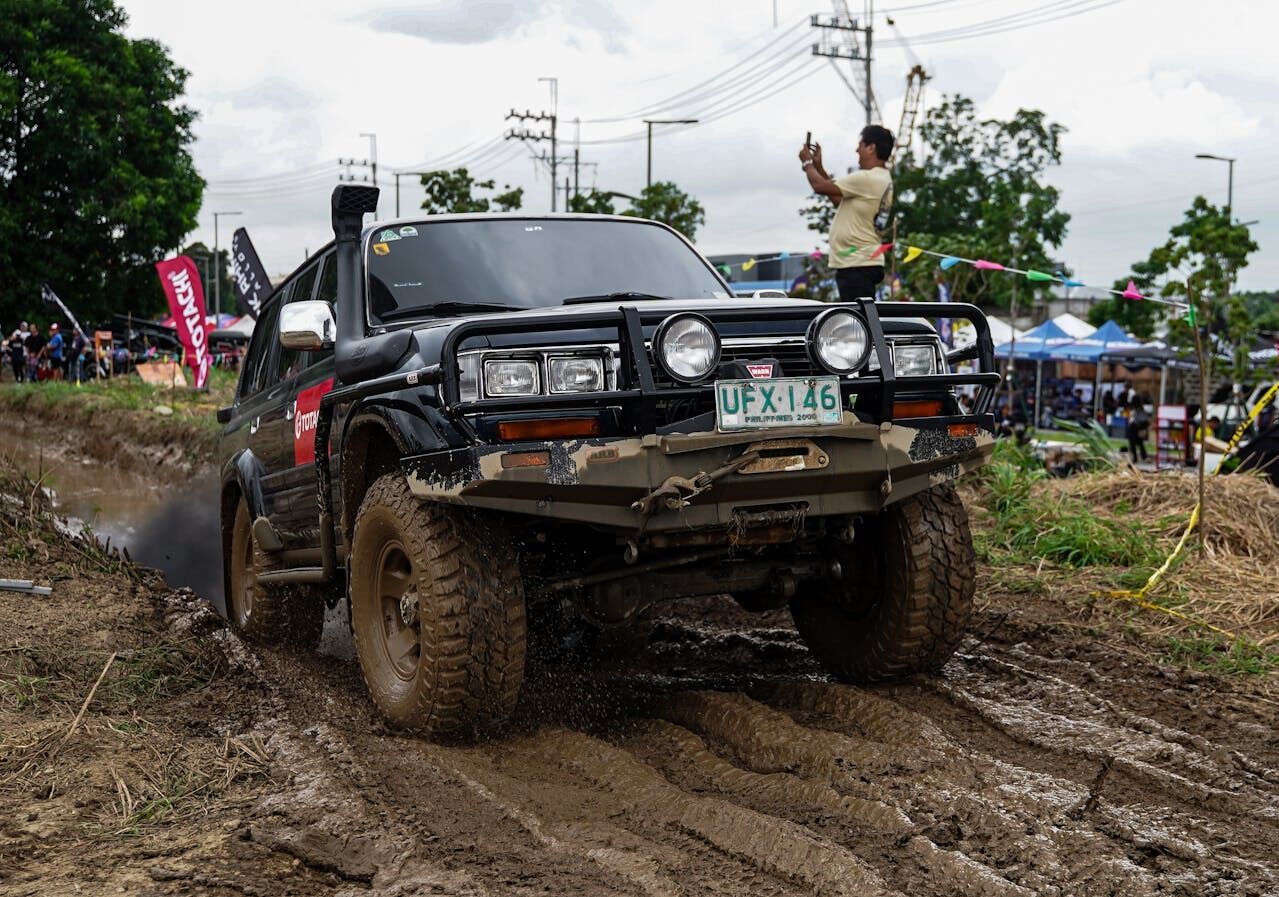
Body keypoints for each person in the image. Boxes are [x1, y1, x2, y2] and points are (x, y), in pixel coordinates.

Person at [799, 125, 895, 302]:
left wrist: (807, 164)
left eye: (860, 145)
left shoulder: (868, 178)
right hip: (859, 263)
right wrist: (818, 167)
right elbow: (837, 199)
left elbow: (820, 187)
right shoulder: (880, 178)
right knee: (858, 322)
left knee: (857, 325)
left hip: (857, 264)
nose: (856, 150)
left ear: (871, 148)